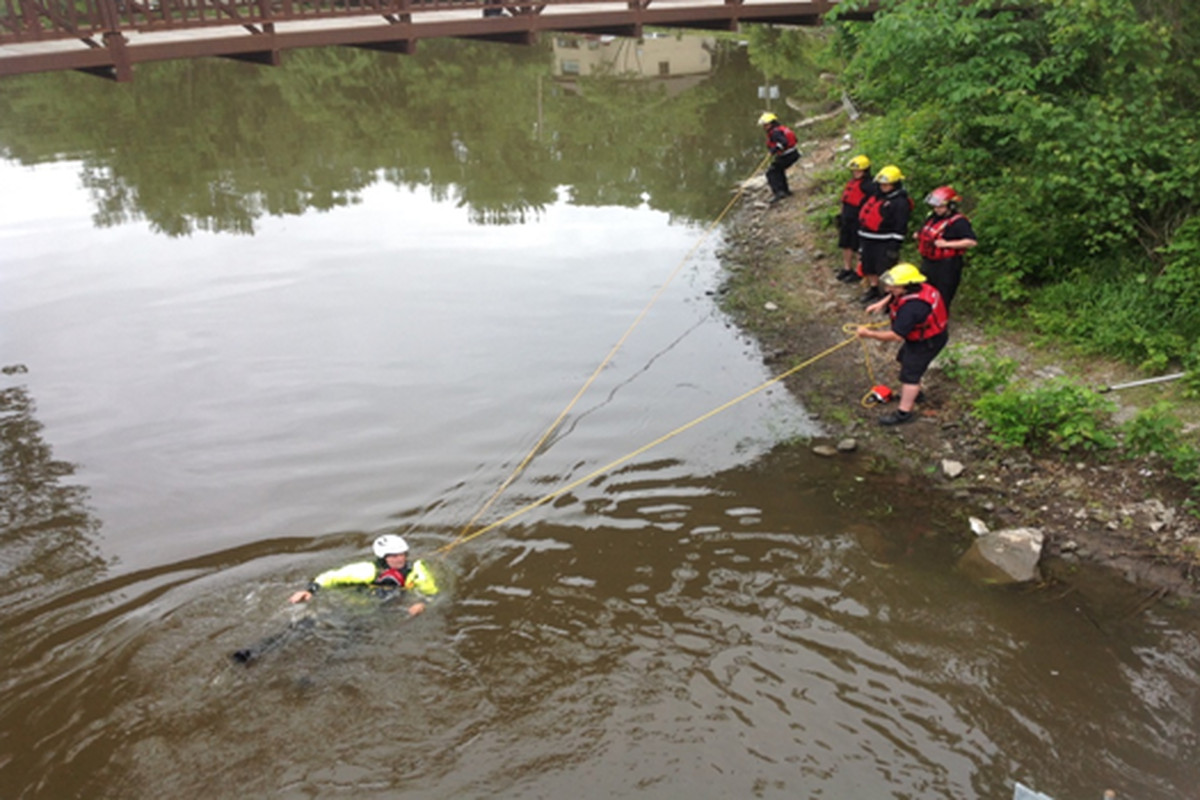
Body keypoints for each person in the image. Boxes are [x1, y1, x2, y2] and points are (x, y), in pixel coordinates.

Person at [856, 263, 949, 426]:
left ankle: (904, 413)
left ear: (906, 284)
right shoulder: (918, 288)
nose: (888, 288)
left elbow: (896, 335)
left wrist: (869, 334)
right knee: (904, 359)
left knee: (910, 375)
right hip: (921, 339)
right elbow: (896, 295)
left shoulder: (913, 309)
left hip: (927, 342)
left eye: (893, 285)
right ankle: (915, 393)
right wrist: (881, 303)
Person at [287, 534, 438, 616]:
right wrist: (309, 590)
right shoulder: (367, 570)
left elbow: (432, 594)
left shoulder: (418, 572)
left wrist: (422, 604)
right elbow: (331, 577)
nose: (399, 559)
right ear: (383, 558)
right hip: (358, 606)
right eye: (393, 556)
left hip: (386, 611)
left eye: (402, 554)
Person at [856, 164, 911, 304]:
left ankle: (888, 297)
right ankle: (874, 289)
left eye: (887, 185)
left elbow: (901, 226)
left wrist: (894, 246)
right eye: (882, 184)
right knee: (869, 266)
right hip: (868, 239)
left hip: (885, 241)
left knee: (885, 270)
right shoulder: (877, 196)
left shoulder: (900, 202)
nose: (883, 187)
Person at [915, 185, 977, 309]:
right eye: (935, 206)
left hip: (948, 265)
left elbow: (971, 242)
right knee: (923, 290)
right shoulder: (932, 217)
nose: (936, 209)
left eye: (940, 206)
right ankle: (925, 318)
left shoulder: (959, 222)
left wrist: (947, 244)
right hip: (929, 261)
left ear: (950, 206)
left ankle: (941, 323)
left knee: (943, 295)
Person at [835, 155, 875, 283]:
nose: (856, 173)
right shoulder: (853, 182)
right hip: (848, 217)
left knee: (858, 246)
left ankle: (859, 271)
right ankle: (847, 268)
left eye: (858, 171)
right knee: (846, 244)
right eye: (854, 171)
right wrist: (841, 215)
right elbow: (845, 201)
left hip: (859, 220)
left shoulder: (869, 185)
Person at [757, 112, 800, 204]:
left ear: (771, 123)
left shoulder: (775, 132)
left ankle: (779, 192)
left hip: (788, 155)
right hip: (793, 153)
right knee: (778, 170)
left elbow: (783, 142)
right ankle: (785, 191)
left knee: (771, 172)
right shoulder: (780, 129)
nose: (764, 127)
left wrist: (774, 150)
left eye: (766, 125)